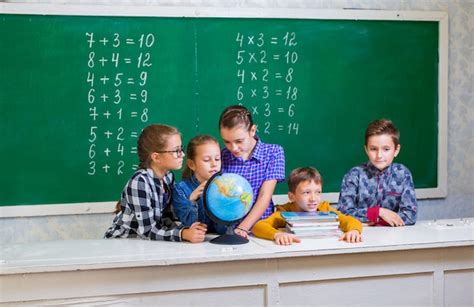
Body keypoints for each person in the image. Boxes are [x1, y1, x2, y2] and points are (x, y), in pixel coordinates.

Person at [104, 124, 207, 242]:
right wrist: (183, 234)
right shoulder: (140, 182)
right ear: (156, 157)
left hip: (147, 244)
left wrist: (187, 229)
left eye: (181, 149)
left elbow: (166, 219)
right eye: (176, 151)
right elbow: (148, 231)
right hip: (123, 243)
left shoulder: (168, 177)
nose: (182, 155)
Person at [219, 105, 285, 238]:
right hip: (228, 230)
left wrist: (243, 228)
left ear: (252, 130)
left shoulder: (273, 152)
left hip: (261, 229)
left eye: (239, 141)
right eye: (227, 142)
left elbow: (264, 196)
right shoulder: (222, 156)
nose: (233, 148)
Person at [253, 167, 362, 245]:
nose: (313, 198)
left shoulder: (324, 209)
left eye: (318, 192)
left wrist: (354, 231)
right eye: (306, 193)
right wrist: (277, 235)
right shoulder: (284, 213)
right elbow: (259, 226)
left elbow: (350, 221)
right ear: (292, 196)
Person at [338, 119, 417, 226]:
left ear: (396, 150)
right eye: (373, 149)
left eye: (386, 149)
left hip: (394, 237)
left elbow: (410, 215)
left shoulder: (403, 174)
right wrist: (378, 212)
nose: (379, 155)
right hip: (361, 236)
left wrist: (378, 220)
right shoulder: (354, 175)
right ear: (366, 149)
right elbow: (343, 214)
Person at [172, 135, 226, 234]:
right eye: (206, 160)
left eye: (217, 159)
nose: (214, 164)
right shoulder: (181, 190)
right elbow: (187, 226)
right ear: (192, 164)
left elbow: (223, 230)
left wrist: (221, 203)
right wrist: (192, 200)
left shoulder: (227, 187)